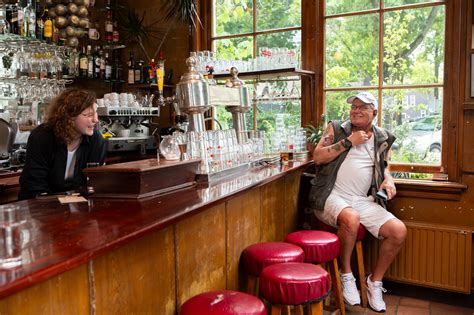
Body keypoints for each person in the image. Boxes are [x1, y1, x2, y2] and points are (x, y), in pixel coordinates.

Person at [308, 91, 407, 312]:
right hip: (330, 196)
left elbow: (385, 166)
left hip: (362, 200)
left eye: (363, 107)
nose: (356, 110)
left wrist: (389, 180)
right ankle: (346, 274)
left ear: (375, 112)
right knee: (351, 218)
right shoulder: (336, 128)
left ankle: (374, 282)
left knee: (398, 231)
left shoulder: (383, 138)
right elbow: (318, 157)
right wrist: (348, 142)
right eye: (354, 107)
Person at [18, 89, 106, 200]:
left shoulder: (96, 141)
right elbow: (35, 185)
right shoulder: (42, 137)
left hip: (77, 206)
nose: (96, 119)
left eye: (96, 113)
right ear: (70, 117)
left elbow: (94, 183)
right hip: (37, 205)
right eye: (88, 115)